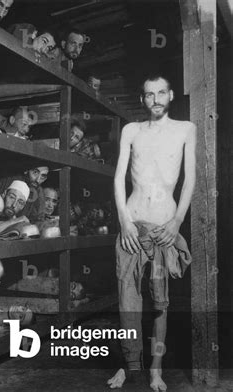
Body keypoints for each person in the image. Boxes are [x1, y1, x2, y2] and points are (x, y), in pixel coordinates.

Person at [107, 75, 196, 392]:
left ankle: (156, 370)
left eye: (161, 93)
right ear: (142, 99)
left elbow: (189, 180)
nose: (155, 99)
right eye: (149, 94)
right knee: (127, 303)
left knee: (159, 305)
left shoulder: (186, 129)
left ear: (170, 95)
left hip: (163, 230)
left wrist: (177, 222)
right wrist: (124, 221)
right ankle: (129, 366)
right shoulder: (131, 130)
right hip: (132, 229)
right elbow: (119, 178)